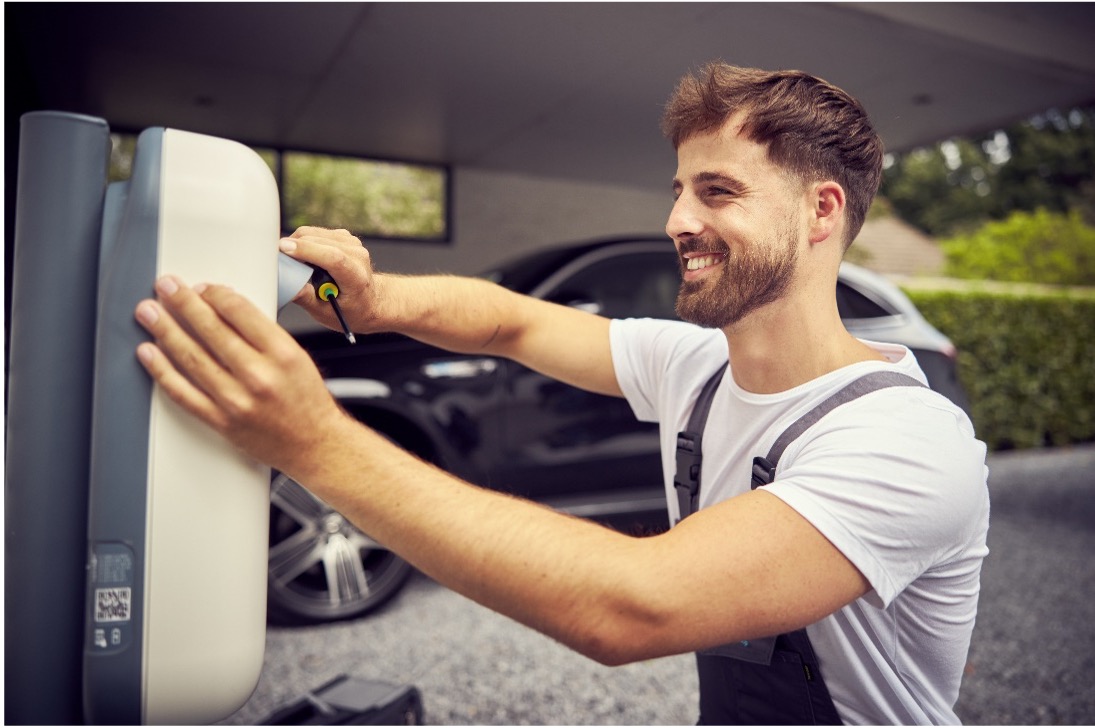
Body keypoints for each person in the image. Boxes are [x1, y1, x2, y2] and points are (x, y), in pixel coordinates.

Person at [134, 62, 989, 725]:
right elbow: (508, 321)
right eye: (679, 190)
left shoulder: (905, 438)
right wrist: (375, 298)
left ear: (820, 212)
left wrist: (314, 441)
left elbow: (632, 607)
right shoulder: (689, 367)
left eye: (717, 191)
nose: (676, 221)